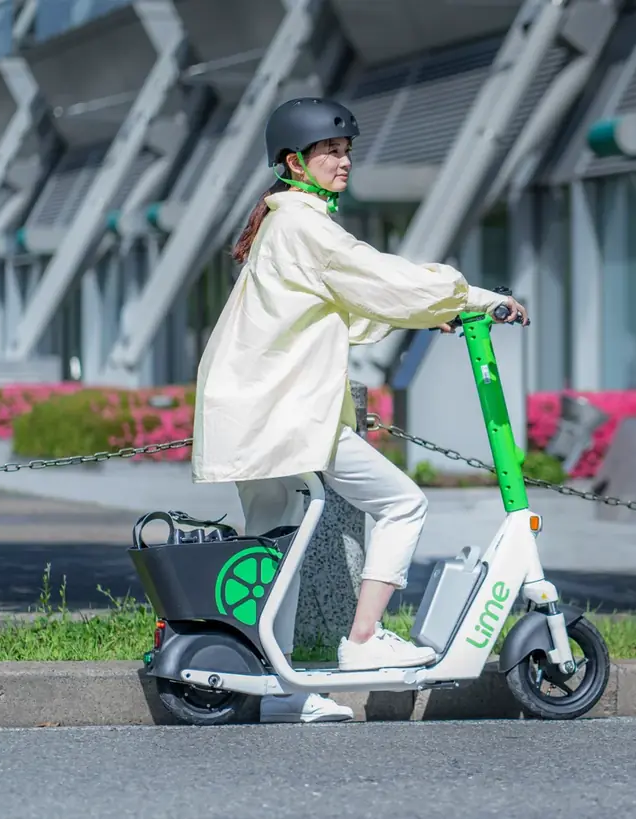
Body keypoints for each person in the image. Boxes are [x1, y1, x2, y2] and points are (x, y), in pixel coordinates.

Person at [191, 97, 528, 724]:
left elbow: (350, 304)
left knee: (276, 542)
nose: (343, 162)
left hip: (253, 409)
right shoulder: (304, 226)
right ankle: (364, 639)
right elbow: (382, 280)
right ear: (294, 162)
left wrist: (445, 311)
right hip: (284, 413)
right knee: (403, 503)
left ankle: (280, 692)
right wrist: (475, 296)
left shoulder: (283, 223)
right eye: (330, 152)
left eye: (346, 151)